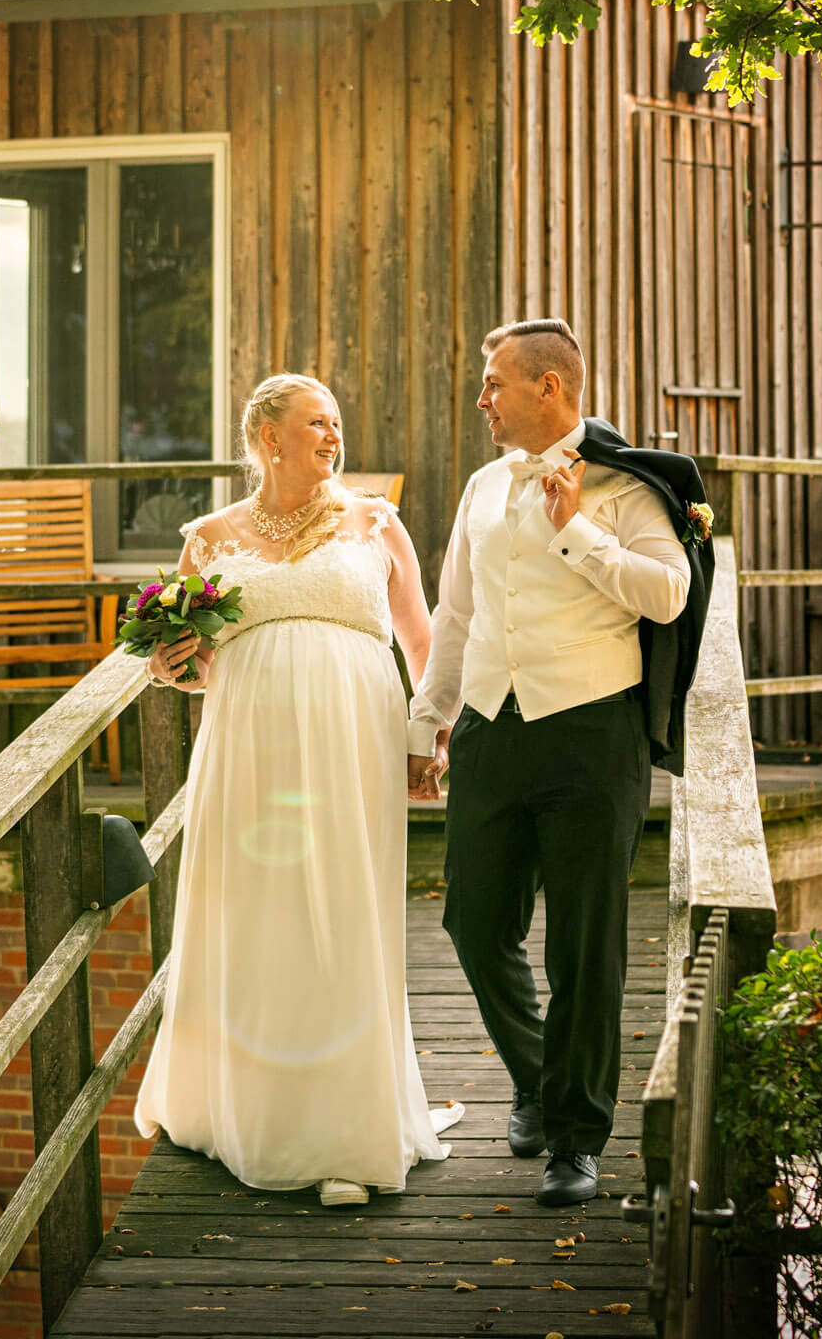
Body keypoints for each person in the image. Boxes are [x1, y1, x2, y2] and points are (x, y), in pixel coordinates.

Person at [135, 372, 460, 1206]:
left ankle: (345, 1136)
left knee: (343, 915)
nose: (333, 435)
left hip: (356, 749)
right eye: (317, 422)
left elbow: (422, 646)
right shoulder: (209, 539)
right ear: (267, 437)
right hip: (248, 751)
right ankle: (249, 1112)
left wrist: (432, 737)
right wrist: (173, 668)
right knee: (257, 913)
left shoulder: (375, 523)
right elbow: (197, 665)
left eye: (337, 423)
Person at [406, 318, 700, 1210]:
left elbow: (669, 591)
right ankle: (537, 1078)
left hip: (591, 735)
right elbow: (454, 616)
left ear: (550, 388)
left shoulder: (624, 486)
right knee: (473, 921)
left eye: (495, 382)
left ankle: (575, 1137)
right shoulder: (484, 486)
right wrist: (428, 727)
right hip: (493, 730)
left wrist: (579, 533)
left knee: (584, 945)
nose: (483, 400)